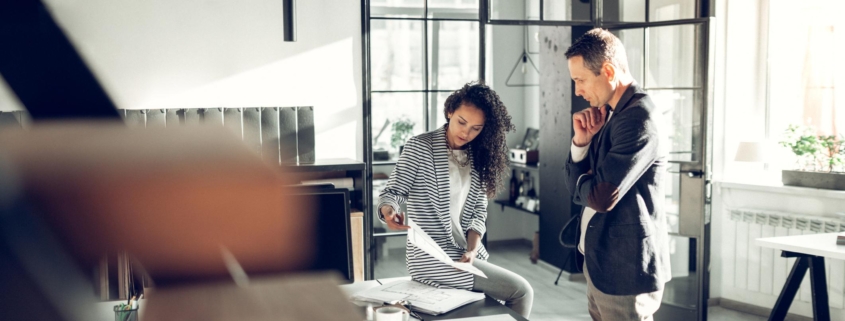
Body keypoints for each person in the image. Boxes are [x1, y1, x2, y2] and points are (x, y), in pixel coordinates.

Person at [378, 81, 534, 318]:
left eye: (476, 128)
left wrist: (472, 250)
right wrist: (389, 212)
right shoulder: (420, 147)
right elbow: (393, 192)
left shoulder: (479, 155)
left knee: (505, 297)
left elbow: (478, 213)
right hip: (430, 257)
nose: (466, 133)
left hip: (464, 254)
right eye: (462, 122)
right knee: (522, 291)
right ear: (450, 111)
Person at [562, 28, 671, 320]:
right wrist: (581, 143)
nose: (578, 90)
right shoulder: (612, 113)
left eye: (580, 80)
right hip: (602, 262)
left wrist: (583, 184)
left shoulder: (638, 117)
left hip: (625, 269)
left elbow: (599, 197)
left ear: (608, 70)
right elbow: (582, 185)